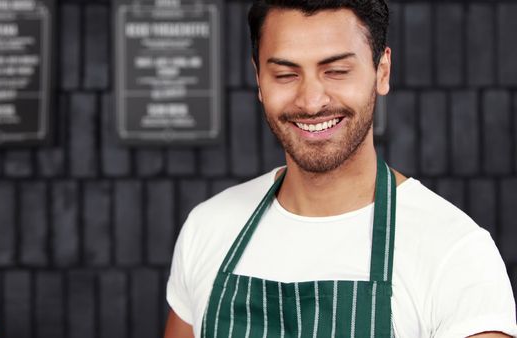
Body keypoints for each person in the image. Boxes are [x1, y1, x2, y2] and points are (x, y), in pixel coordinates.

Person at [164, 0, 517, 337]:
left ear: (382, 71)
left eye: (336, 71)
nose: (311, 100)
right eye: (285, 74)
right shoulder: (208, 226)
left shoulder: (454, 253)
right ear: (259, 79)